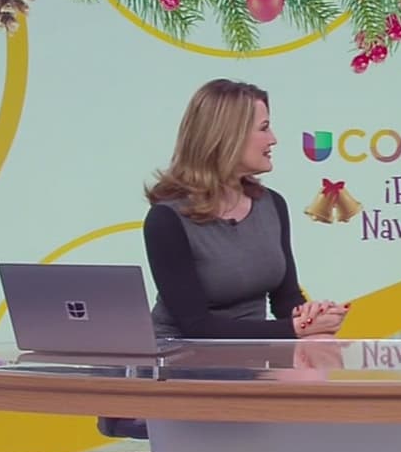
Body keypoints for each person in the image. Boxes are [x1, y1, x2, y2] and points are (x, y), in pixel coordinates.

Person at [143, 78, 346, 340]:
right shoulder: (167, 219)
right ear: (228, 136)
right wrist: (296, 329)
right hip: (184, 351)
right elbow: (197, 326)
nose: (273, 139)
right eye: (264, 128)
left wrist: (311, 315)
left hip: (249, 349)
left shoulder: (272, 204)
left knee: (322, 341)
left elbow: (285, 299)